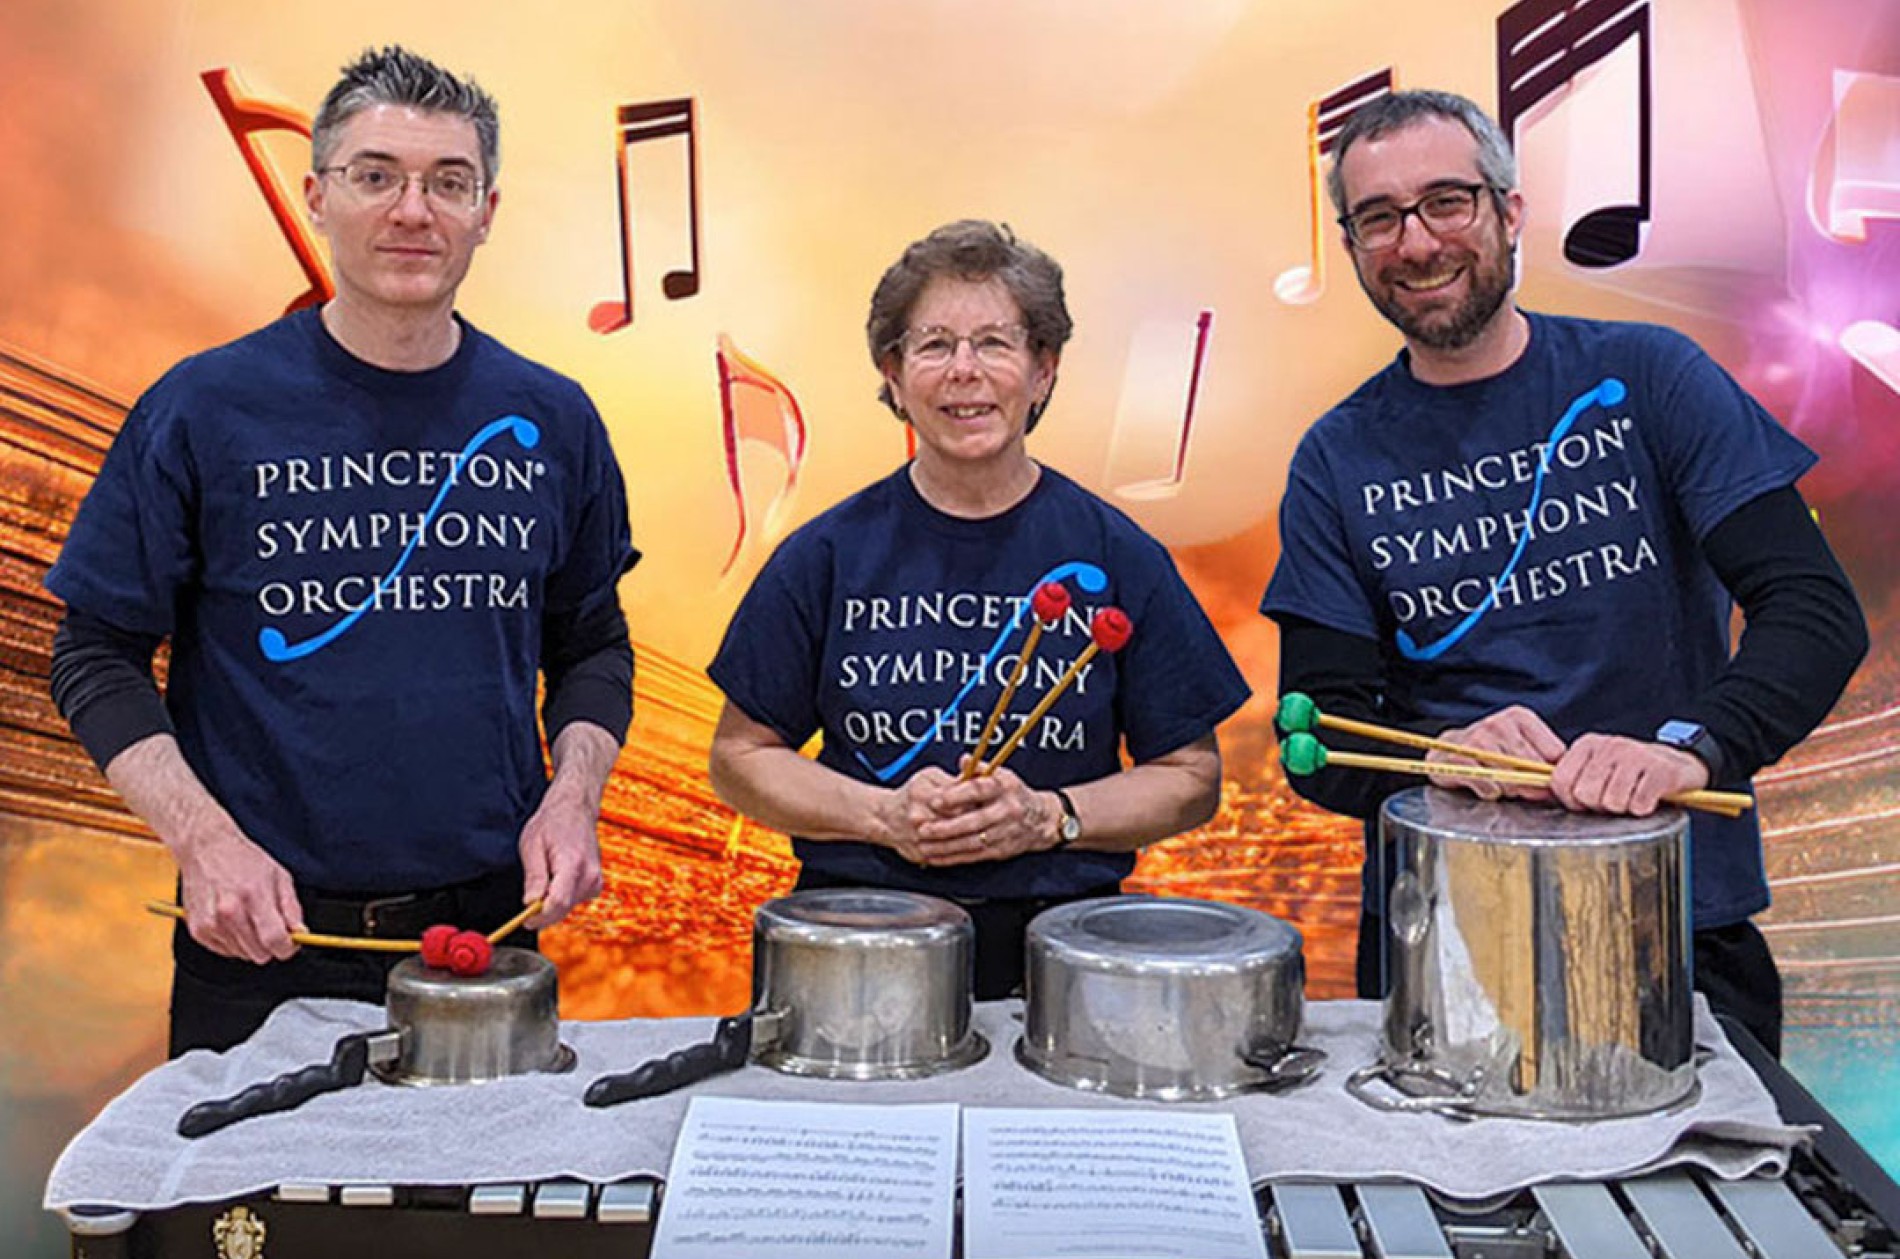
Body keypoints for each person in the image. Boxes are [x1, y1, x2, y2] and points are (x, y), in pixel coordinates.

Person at [45, 46, 638, 1056]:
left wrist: (573, 798)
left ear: (486, 211)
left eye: (448, 182)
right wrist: (204, 839)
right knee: (256, 1220)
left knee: (479, 1216)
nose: (414, 211)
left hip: (484, 942)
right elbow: (93, 652)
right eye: (376, 176)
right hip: (263, 943)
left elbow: (592, 646)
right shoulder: (200, 408)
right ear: (317, 195)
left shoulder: (555, 417)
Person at [1261, 89, 1867, 1057]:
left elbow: (1813, 609)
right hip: (1444, 938)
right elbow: (1319, 731)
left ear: (1508, 210)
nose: (1415, 242)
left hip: (1673, 917)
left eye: (1446, 202)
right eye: (1378, 217)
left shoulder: (1650, 375)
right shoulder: (1336, 457)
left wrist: (1688, 748)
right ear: (1352, 245)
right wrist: (1436, 753)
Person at [708, 220, 1250, 999]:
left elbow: (1191, 776)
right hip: (857, 939)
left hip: (1066, 950)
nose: (964, 371)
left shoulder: (1118, 553)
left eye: (996, 343)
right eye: (933, 346)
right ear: (893, 375)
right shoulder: (823, 555)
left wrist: (1049, 817)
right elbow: (739, 757)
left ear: (1044, 372)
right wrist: (881, 815)